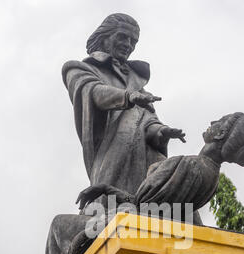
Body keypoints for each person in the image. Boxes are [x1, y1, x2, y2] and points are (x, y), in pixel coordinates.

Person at [37, 112, 244, 254]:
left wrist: (107, 192)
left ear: (220, 133)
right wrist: (104, 188)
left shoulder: (191, 166)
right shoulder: (209, 174)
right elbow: (154, 206)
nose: (212, 121)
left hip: (134, 225)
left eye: (218, 122)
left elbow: (143, 206)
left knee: (59, 224)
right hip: (144, 224)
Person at [62, 13, 186, 200]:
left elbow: (147, 120)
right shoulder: (78, 69)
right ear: (104, 37)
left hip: (147, 159)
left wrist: (161, 131)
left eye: (133, 41)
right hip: (112, 157)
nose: (128, 44)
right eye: (122, 37)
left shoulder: (138, 83)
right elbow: (95, 93)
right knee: (111, 209)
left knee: (174, 198)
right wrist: (128, 97)